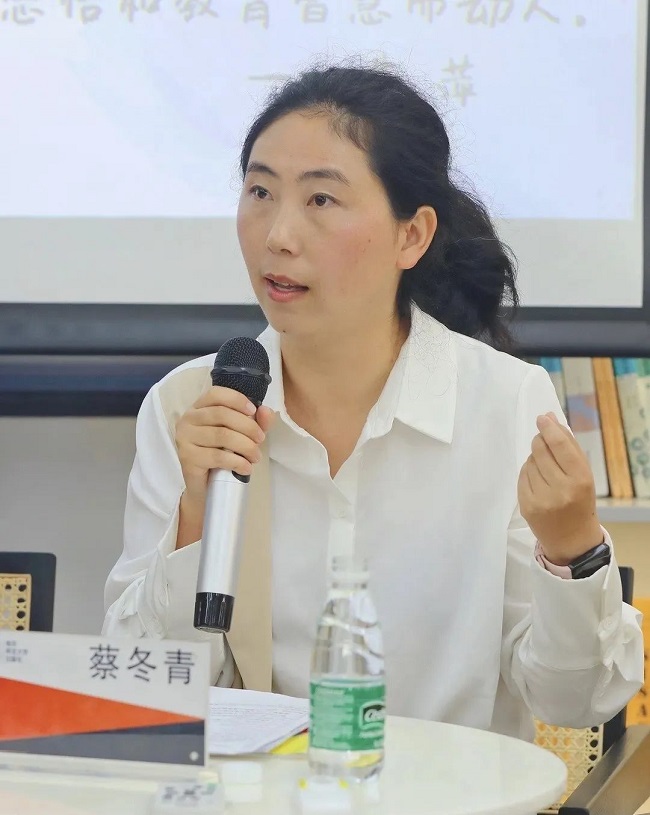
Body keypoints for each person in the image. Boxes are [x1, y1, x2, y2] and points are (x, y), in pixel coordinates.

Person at [103, 64, 643, 741]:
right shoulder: (190, 405)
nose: (278, 235)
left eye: (321, 200)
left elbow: (572, 700)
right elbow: (143, 690)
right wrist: (193, 520)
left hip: (450, 790)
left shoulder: (505, 403)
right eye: (260, 191)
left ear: (411, 235)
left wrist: (573, 550)